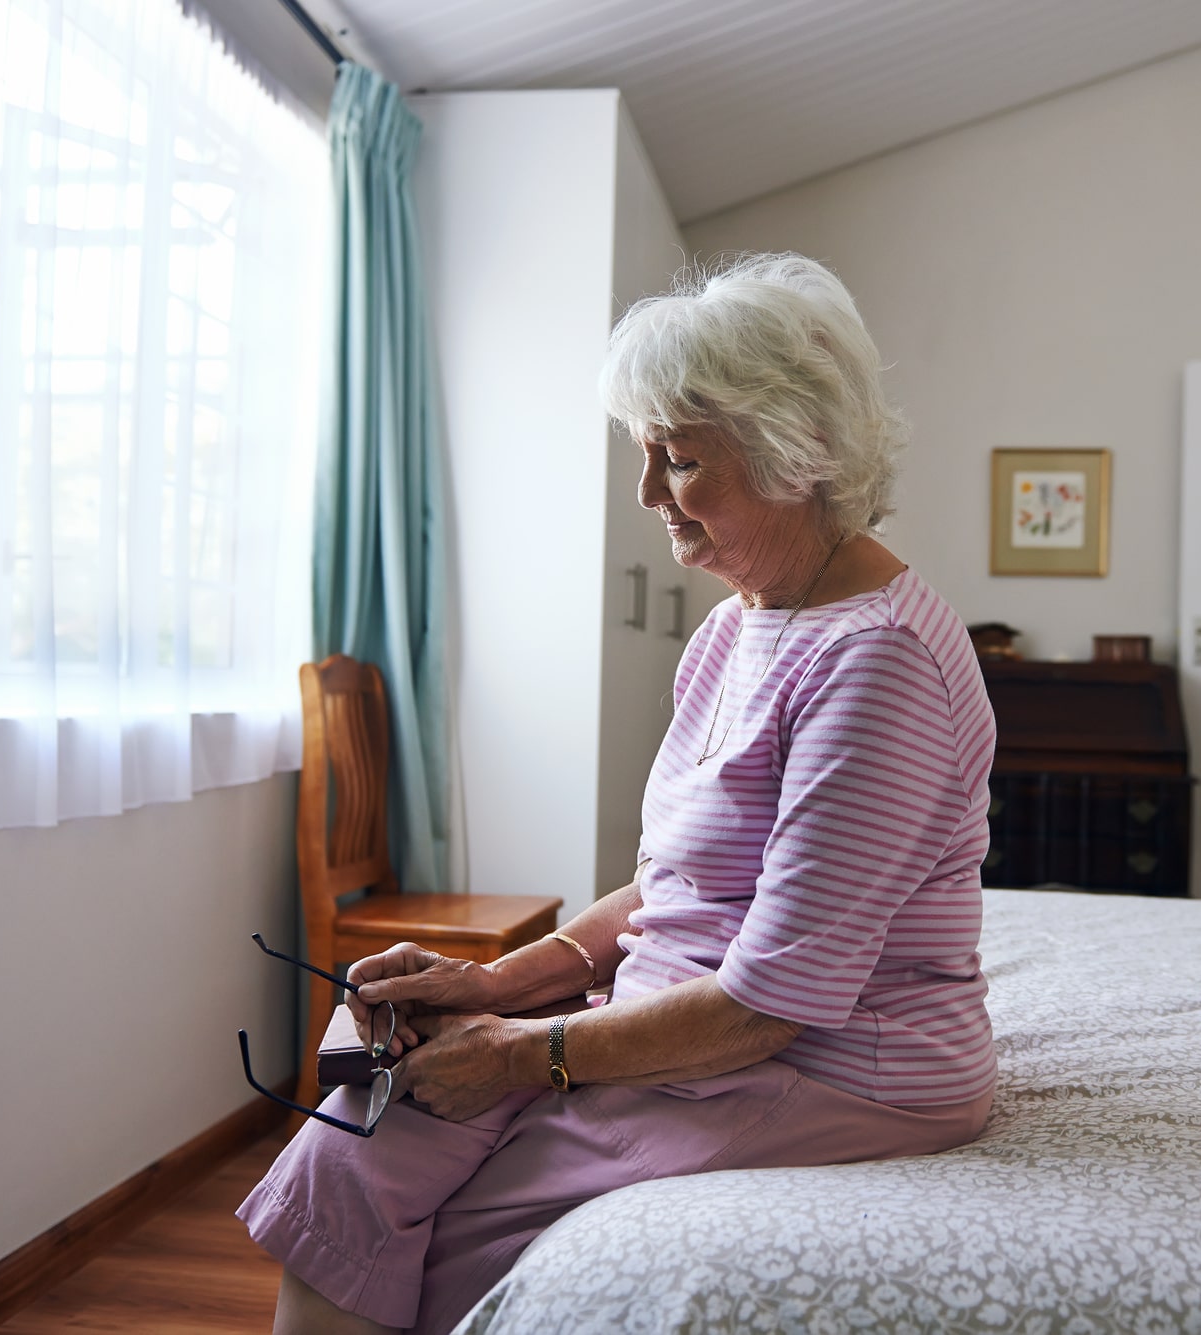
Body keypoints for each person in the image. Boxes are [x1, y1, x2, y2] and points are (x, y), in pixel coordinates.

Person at [240, 254, 999, 1335]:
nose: (648, 495)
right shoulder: (737, 625)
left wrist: (526, 1053)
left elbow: (768, 1007)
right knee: (359, 1136)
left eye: (679, 461)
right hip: (692, 1024)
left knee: (457, 1229)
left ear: (796, 457)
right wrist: (492, 986)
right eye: (644, 455)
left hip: (832, 1067)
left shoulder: (877, 663)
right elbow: (669, 887)